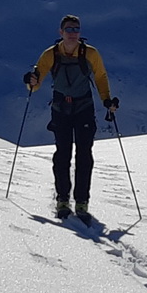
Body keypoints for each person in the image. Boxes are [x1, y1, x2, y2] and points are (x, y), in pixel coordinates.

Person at [22, 14, 119, 219]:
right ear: (61, 32)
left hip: (80, 107)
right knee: (63, 155)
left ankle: (81, 201)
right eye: (69, 29)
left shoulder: (89, 53)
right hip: (63, 109)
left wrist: (107, 100)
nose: (73, 33)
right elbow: (36, 82)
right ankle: (63, 199)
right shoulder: (51, 55)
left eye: (76, 29)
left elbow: (100, 76)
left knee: (84, 155)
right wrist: (30, 82)